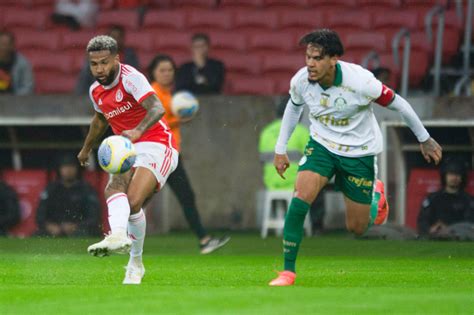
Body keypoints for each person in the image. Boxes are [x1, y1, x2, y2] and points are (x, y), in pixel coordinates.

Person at [269, 29, 442, 286]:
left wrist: (424, 138)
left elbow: (400, 104)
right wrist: (280, 148)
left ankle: (376, 197)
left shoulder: (360, 82)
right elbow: (293, 108)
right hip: (322, 146)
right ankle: (287, 272)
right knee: (300, 196)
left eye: (316, 58)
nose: (310, 64)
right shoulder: (301, 81)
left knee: (358, 228)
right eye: (307, 57)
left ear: (333, 59)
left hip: (359, 152)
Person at [77, 35, 179, 285]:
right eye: (94, 64)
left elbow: (157, 108)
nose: (99, 69)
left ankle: (135, 261)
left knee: (133, 201)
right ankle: (119, 238)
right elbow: (100, 119)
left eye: (104, 62)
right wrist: (86, 148)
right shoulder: (95, 91)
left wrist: (138, 130)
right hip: (127, 147)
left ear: (116, 59)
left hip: (157, 143)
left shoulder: (131, 78)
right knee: (113, 188)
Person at [148, 54, 230, 253]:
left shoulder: (170, 95)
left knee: (182, 197)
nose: (167, 74)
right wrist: (179, 120)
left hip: (171, 153)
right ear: (153, 73)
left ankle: (204, 240)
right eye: (162, 70)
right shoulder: (152, 93)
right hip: (158, 154)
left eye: (170, 70)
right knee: (145, 198)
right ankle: (119, 233)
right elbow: (150, 123)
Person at [259, 97, 325, 232]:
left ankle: (281, 221)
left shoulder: (266, 131)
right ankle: (317, 227)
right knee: (320, 183)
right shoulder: (301, 131)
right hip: (294, 182)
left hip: (271, 183)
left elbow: (262, 160)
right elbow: (314, 158)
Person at [36, 154, 101, 237]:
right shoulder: (51, 189)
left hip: (80, 230)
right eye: (65, 167)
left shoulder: (86, 189)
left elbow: (94, 216)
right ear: (59, 169)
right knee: (37, 237)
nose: (68, 170)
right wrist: (50, 226)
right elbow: (40, 215)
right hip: (54, 230)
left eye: (72, 166)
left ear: (77, 169)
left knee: (85, 235)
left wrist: (76, 226)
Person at [417, 157, 474, 239]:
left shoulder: (468, 200)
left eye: (457, 174)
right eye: (451, 174)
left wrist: (450, 229)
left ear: (462, 178)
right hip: (434, 237)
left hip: (459, 239)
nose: (454, 178)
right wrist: (430, 229)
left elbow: (469, 224)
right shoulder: (432, 198)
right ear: (445, 176)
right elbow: (423, 220)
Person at [75, 25, 140, 94]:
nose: (116, 40)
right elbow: (84, 79)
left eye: (119, 37)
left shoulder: (130, 55)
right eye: (114, 37)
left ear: (123, 39)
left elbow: (134, 77)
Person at [0, 31, 34, 95]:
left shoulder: (22, 63)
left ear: (12, 46)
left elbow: (28, 87)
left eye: (5, 44)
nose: (2, 47)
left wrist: (14, 98)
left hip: (14, 100)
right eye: (0, 44)